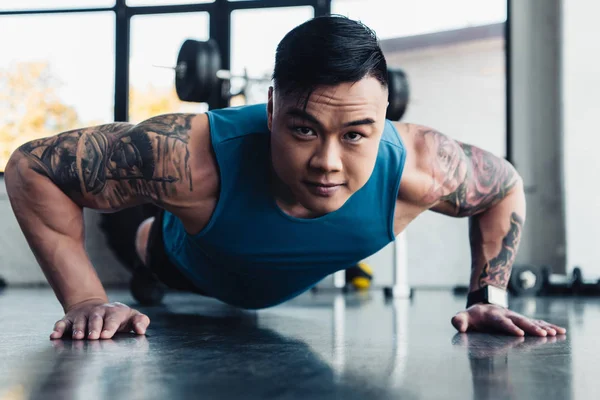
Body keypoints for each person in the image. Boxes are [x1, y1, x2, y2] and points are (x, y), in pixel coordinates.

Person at [5, 15, 565, 341]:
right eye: (303, 129)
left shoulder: (418, 166)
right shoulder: (191, 155)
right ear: (271, 110)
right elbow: (30, 165)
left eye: (354, 135)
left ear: (384, 116)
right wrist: (83, 299)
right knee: (144, 239)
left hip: (258, 276)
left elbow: (504, 185)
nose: (327, 161)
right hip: (182, 260)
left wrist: (488, 295)